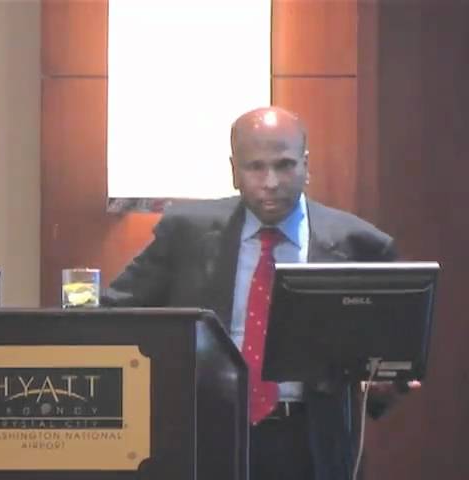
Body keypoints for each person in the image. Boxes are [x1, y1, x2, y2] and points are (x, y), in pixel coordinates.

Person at [102, 106, 413, 480]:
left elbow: (393, 356)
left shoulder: (361, 244)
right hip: (206, 434)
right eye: (255, 167)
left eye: (284, 165)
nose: (271, 182)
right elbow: (115, 315)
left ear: (306, 165)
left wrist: (384, 383)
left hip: (310, 443)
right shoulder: (185, 233)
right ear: (234, 171)